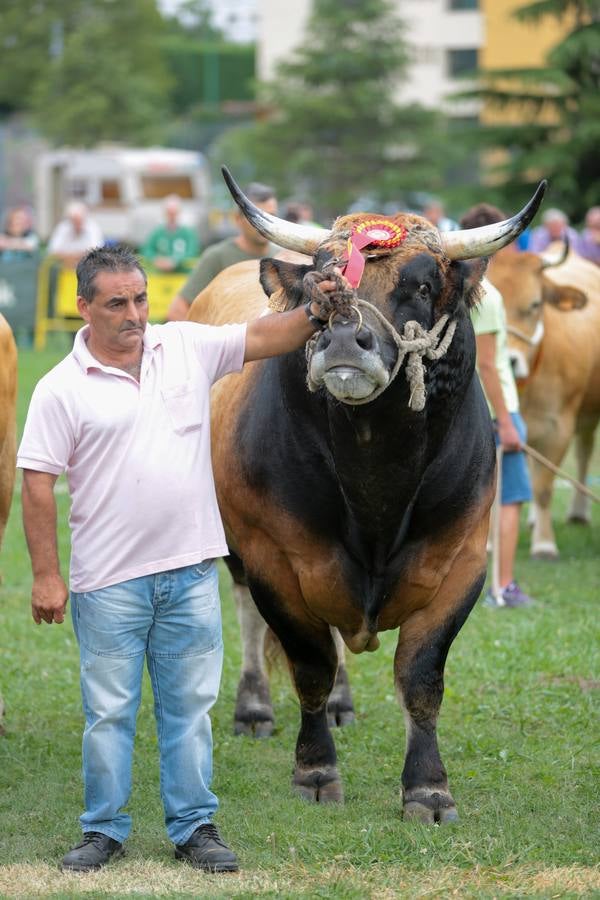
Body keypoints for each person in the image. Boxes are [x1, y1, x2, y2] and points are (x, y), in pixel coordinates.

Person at [17, 244, 339, 874]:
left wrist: (318, 308)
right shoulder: (59, 388)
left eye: (140, 298)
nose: (134, 314)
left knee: (189, 710)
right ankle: (102, 830)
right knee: (108, 712)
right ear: (84, 308)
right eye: (116, 303)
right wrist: (47, 575)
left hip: (190, 572)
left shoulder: (185, 347)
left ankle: (195, 826)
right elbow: (36, 482)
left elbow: (267, 335)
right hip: (107, 582)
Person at [460, 204, 534, 609]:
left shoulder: (457, 286)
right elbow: (487, 363)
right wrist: (506, 422)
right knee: (509, 499)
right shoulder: (485, 293)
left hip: (475, 410)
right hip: (497, 409)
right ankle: (503, 587)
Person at [166, 182, 279, 321]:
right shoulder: (217, 257)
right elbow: (177, 311)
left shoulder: (285, 258)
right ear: (237, 219)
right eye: (257, 216)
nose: (266, 223)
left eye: (272, 215)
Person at [141, 194, 199, 273]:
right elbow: (147, 249)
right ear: (164, 213)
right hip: (160, 275)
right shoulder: (157, 232)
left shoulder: (188, 233)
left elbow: (192, 251)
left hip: (182, 275)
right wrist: (155, 259)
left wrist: (175, 261)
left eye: (174, 213)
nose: (171, 216)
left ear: (179, 212)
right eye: (169, 213)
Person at [47, 201, 104, 268]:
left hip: (87, 267)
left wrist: (70, 256)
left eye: (79, 220)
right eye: (74, 220)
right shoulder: (62, 227)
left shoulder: (93, 228)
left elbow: (97, 252)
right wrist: (76, 256)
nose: (77, 224)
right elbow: (52, 251)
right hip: (63, 267)